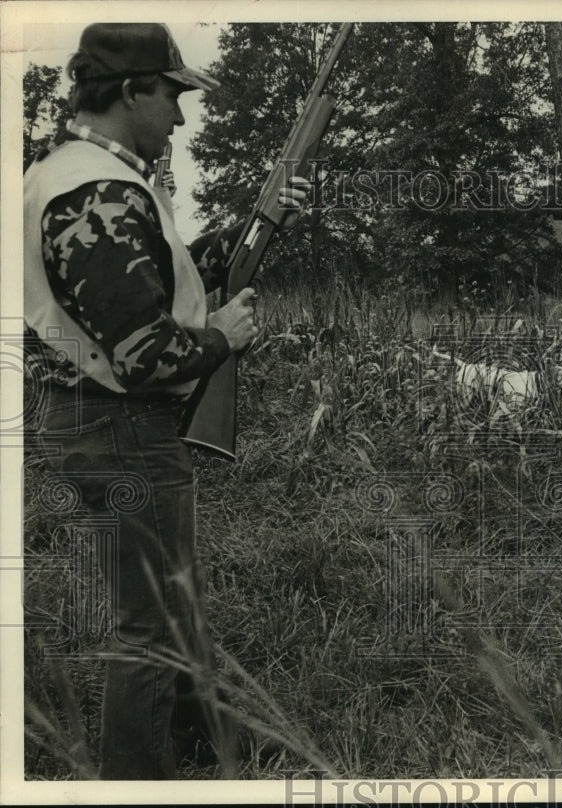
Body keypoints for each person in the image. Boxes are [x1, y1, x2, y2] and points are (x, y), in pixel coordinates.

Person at [23, 22, 306, 779]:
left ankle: (200, 740)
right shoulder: (97, 193)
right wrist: (221, 340)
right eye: (172, 96)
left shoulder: (81, 176)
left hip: (97, 421)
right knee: (147, 626)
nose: (180, 116)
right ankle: (137, 784)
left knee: (170, 597)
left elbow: (154, 274)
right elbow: (144, 353)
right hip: (120, 427)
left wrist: (261, 218)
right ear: (130, 92)